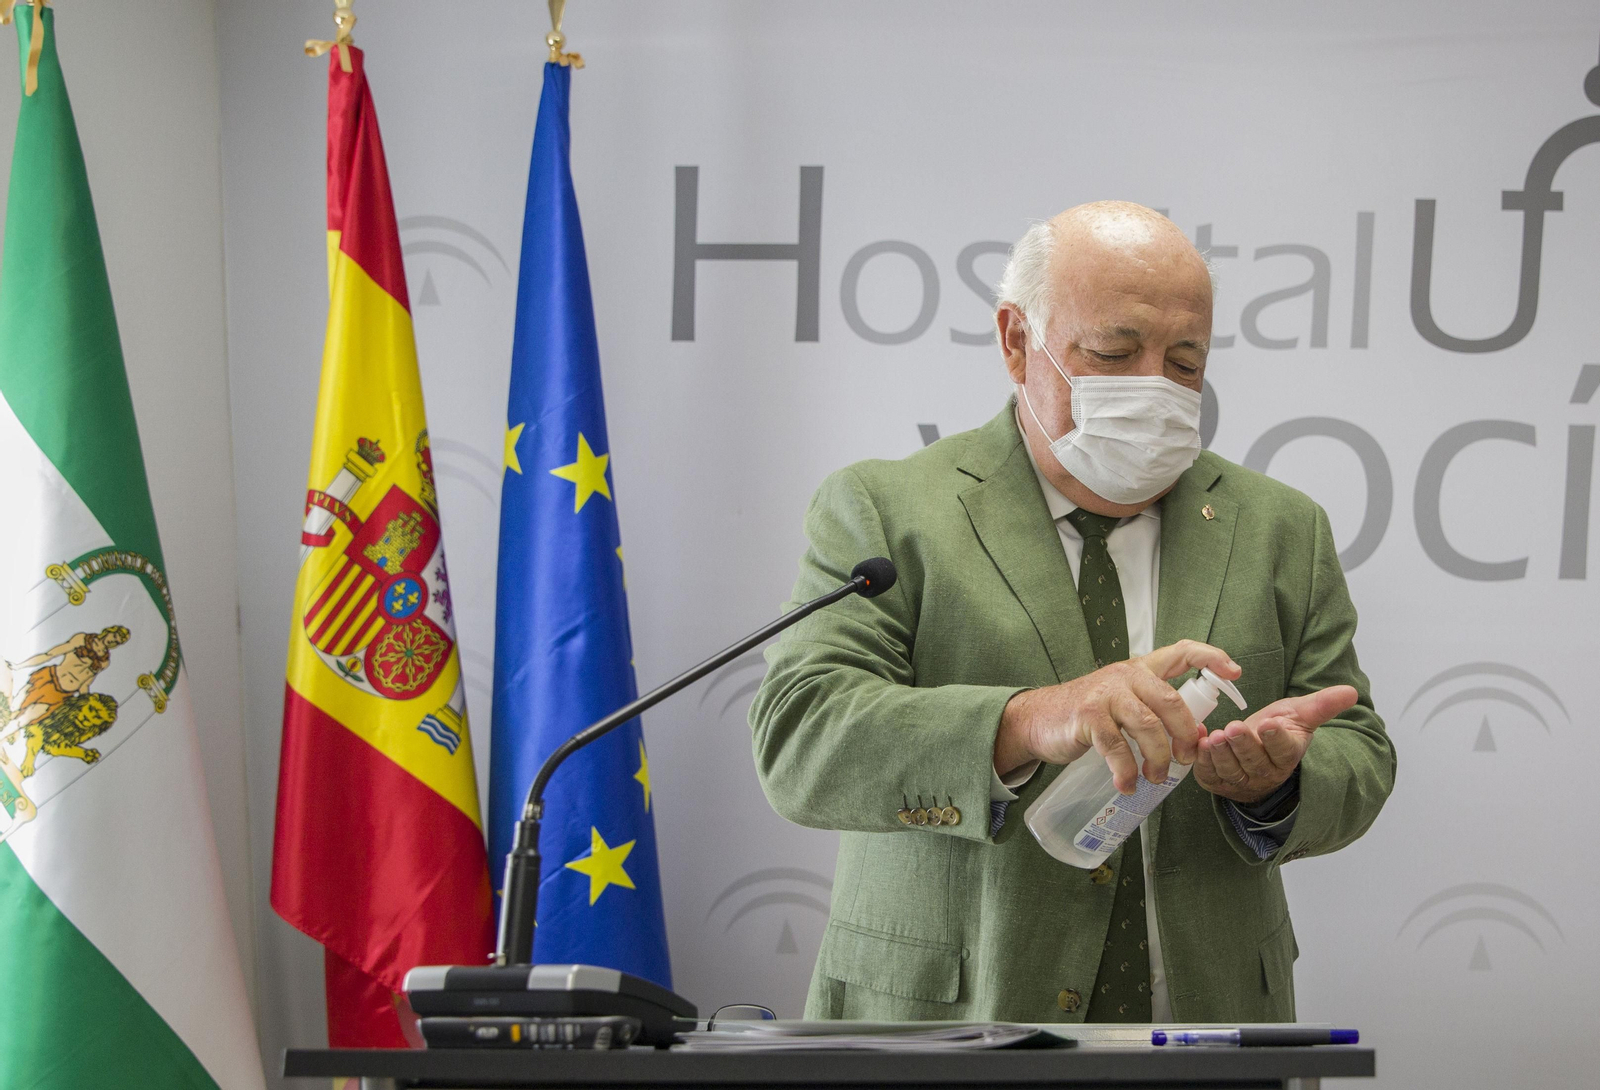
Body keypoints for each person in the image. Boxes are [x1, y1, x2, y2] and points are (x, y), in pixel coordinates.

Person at [749, 202, 1395, 1025]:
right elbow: (802, 740)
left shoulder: (1282, 528)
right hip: (948, 1029)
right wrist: (1032, 719)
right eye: (1116, 352)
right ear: (1017, 340)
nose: (1155, 385)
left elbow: (1358, 748)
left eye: (1186, 361)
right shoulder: (885, 508)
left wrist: (1278, 785)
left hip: (1206, 1036)